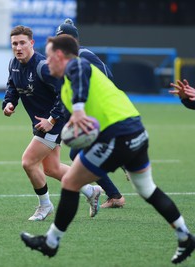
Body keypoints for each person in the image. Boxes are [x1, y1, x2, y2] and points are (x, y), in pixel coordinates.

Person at [20, 35, 195, 265]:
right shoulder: (63, 87)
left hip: (119, 135)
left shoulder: (78, 64)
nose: (46, 60)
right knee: (147, 189)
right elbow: (68, 113)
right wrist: (70, 126)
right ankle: (185, 236)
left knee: (70, 182)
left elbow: (79, 78)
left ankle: (50, 243)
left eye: (50, 55)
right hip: (136, 132)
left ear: (60, 56)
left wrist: (80, 111)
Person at [2, 25, 102, 221]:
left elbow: (64, 93)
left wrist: (51, 119)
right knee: (51, 168)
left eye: (22, 43)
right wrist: (8, 103)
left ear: (31, 43)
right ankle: (91, 192)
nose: (18, 47)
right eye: (14, 43)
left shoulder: (43, 66)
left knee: (28, 162)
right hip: (40, 123)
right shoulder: (13, 64)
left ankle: (45, 206)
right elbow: (12, 86)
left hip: (54, 121)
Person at [55, 18, 126, 209]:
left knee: (79, 153)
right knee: (79, 153)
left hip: (103, 112)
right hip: (88, 113)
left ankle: (115, 192)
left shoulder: (84, 54)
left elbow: (107, 78)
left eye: (66, 37)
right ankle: (114, 192)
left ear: (75, 39)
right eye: (59, 38)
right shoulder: (68, 61)